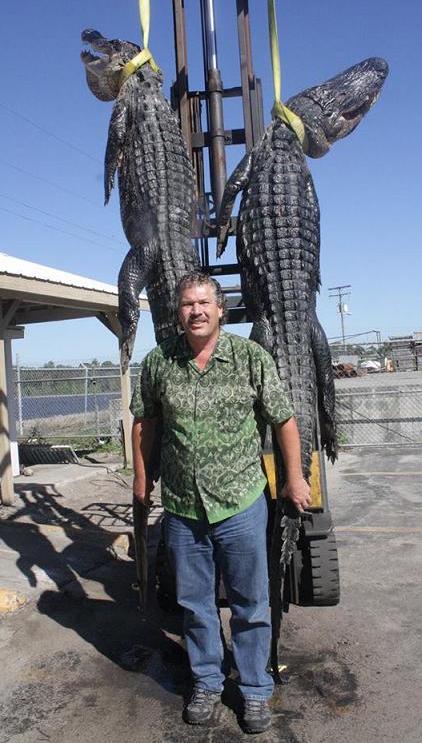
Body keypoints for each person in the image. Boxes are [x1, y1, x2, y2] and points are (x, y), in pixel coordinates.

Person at [130, 272, 310, 734]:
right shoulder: (158, 363)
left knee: (251, 602)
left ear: (220, 308)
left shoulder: (251, 358)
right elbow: (145, 423)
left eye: (203, 302)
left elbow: (284, 419)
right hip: (184, 511)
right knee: (195, 605)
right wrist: (140, 478)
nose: (195, 311)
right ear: (179, 311)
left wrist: (295, 479)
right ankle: (207, 681)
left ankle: (253, 689)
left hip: (241, 504)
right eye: (187, 304)